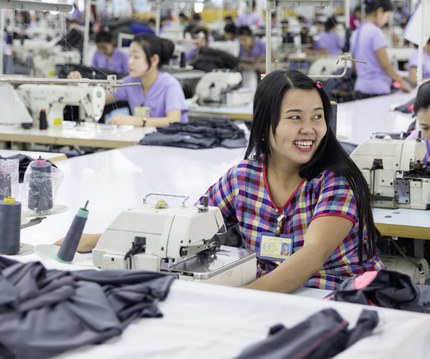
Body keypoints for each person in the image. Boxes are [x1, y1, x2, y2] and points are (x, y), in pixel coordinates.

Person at [62, 70, 381, 292]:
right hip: (273, 294)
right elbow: (185, 223)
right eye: (295, 117)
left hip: (338, 297)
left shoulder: (335, 182)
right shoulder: (244, 178)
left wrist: (244, 297)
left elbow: (312, 255)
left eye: (317, 117)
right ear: (266, 121)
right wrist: (96, 239)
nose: (309, 129)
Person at [350, 0, 412, 97]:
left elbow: (354, 64)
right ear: (379, 12)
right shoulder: (375, 32)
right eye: (387, 16)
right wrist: (401, 82)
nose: (386, 21)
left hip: (360, 87)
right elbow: (385, 65)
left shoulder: (357, 32)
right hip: (377, 89)